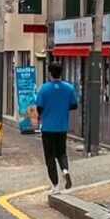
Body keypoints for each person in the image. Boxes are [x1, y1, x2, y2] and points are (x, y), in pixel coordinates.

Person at [34, 60, 78, 194]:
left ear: (49, 73)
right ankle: (65, 170)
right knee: (61, 152)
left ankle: (55, 186)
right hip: (62, 126)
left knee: (50, 156)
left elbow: (39, 107)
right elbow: (74, 105)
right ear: (61, 72)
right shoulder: (69, 88)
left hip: (48, 127)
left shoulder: (44, 88)